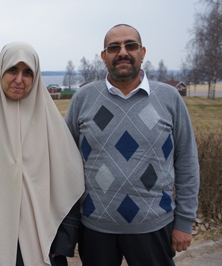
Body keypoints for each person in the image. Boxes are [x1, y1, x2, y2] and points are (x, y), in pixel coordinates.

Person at [65, 24, 200, 266]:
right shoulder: (83, 100)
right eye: (114, 47)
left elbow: (187, 162)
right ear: (104, 56)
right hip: (96, 228)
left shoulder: (169, 99)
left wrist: (184, 221)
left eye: (131, 45)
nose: (123, 52)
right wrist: (68, 224)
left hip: (155, 225)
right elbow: (65, 163)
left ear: (143, 52)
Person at [0, 41, 85, 266]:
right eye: (13, 70)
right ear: (0, 70)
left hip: (46, 246)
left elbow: (70, 186)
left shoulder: (52, 126)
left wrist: (62, 245)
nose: (19, 79)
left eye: (27, 72)